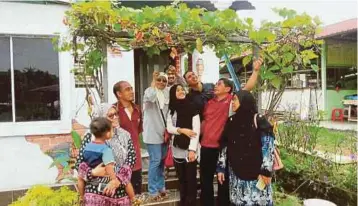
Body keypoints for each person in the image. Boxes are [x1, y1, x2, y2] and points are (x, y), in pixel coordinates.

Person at [217, 90, 274, 206]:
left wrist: (266, 171)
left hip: (257, 174)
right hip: (236, 175)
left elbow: (268, 145)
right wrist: (221, 168)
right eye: (232, 99)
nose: (232, 102)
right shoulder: (231, 121)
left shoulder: (258, 120)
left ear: (245, 101)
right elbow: (224, 145)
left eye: (235, 99)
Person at [75, 103, 138, 206]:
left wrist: (118, 179)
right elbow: (79, 163)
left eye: (116, 114)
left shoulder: (125, 135)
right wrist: (92, 172)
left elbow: (131, 159)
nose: (116, 117)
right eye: (111, 115)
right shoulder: (90, 137)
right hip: (95, 193)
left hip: (120, 193)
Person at [166, 84, 200, 206]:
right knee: (181, 180)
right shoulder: (172, 109)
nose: (181, 92)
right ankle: (183, 202)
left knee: (191, 180)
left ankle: (191, 203)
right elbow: (169, 128)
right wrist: (182, 130)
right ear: (173, 94)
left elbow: (196, 130)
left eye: (182, 89)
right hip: (176, 149)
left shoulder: (192, 107)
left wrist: (192, 150)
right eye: (178, 90)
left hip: (189, 149)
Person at [142, 71, 170, 201]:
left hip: (164, 133)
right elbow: (151, 97)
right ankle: (152, 190)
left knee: (162, 161)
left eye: (164, 80)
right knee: (155, 160)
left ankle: (161, 186)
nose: (161, 83)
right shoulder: (149, 91)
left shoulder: (167, 93)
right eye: (159, 80)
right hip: (152, 132)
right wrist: (153, 81)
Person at [112, 81, 143, 194]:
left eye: (131, 88)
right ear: (119, 94)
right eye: (127, 89)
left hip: (136, 159)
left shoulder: (137, 109)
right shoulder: (113, 111)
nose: (131, 91)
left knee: (136, 193)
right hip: (120, 161)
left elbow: (137, 131)